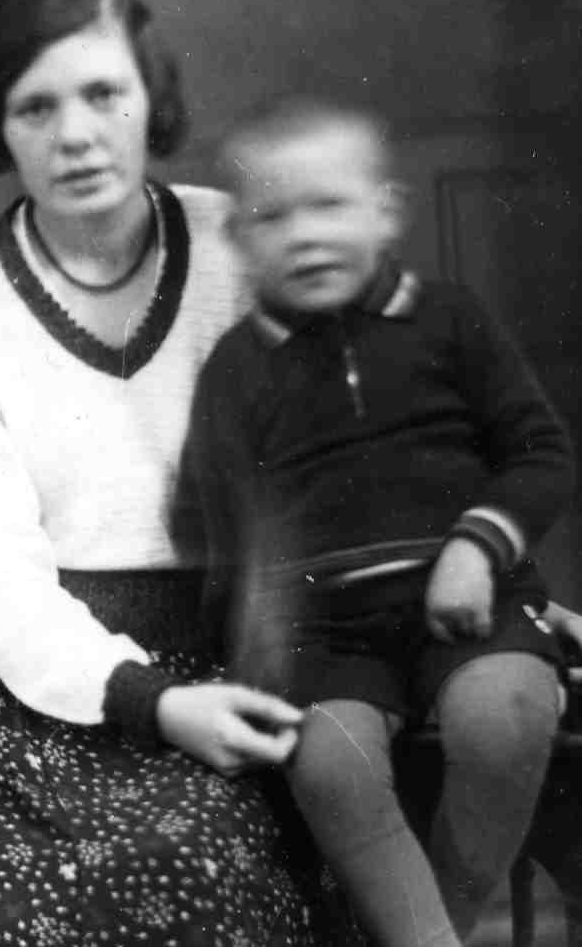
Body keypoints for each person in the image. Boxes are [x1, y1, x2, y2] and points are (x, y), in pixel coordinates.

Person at [0, 0, 345, 946]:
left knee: (200, 867)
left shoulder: (242, 244)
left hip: (239, 660)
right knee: (3, 916)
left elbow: (357, 453)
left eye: (104, 93)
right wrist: (149, 701)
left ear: (153, 96)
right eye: (35, 107)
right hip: (33, 687)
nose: (77, 135)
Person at [180, 95, 574, 946]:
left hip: (469, 605)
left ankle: (442, 924)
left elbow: (541, 453)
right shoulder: (237, 370)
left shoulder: (450, 321)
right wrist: (243, 638)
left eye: (330, 205)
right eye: (273, 217)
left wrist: (478, 546)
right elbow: (221, 523)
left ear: (386, 211)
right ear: (238, 238)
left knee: (505, 714)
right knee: (331, 766)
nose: (306, 235)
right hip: (326, 636)